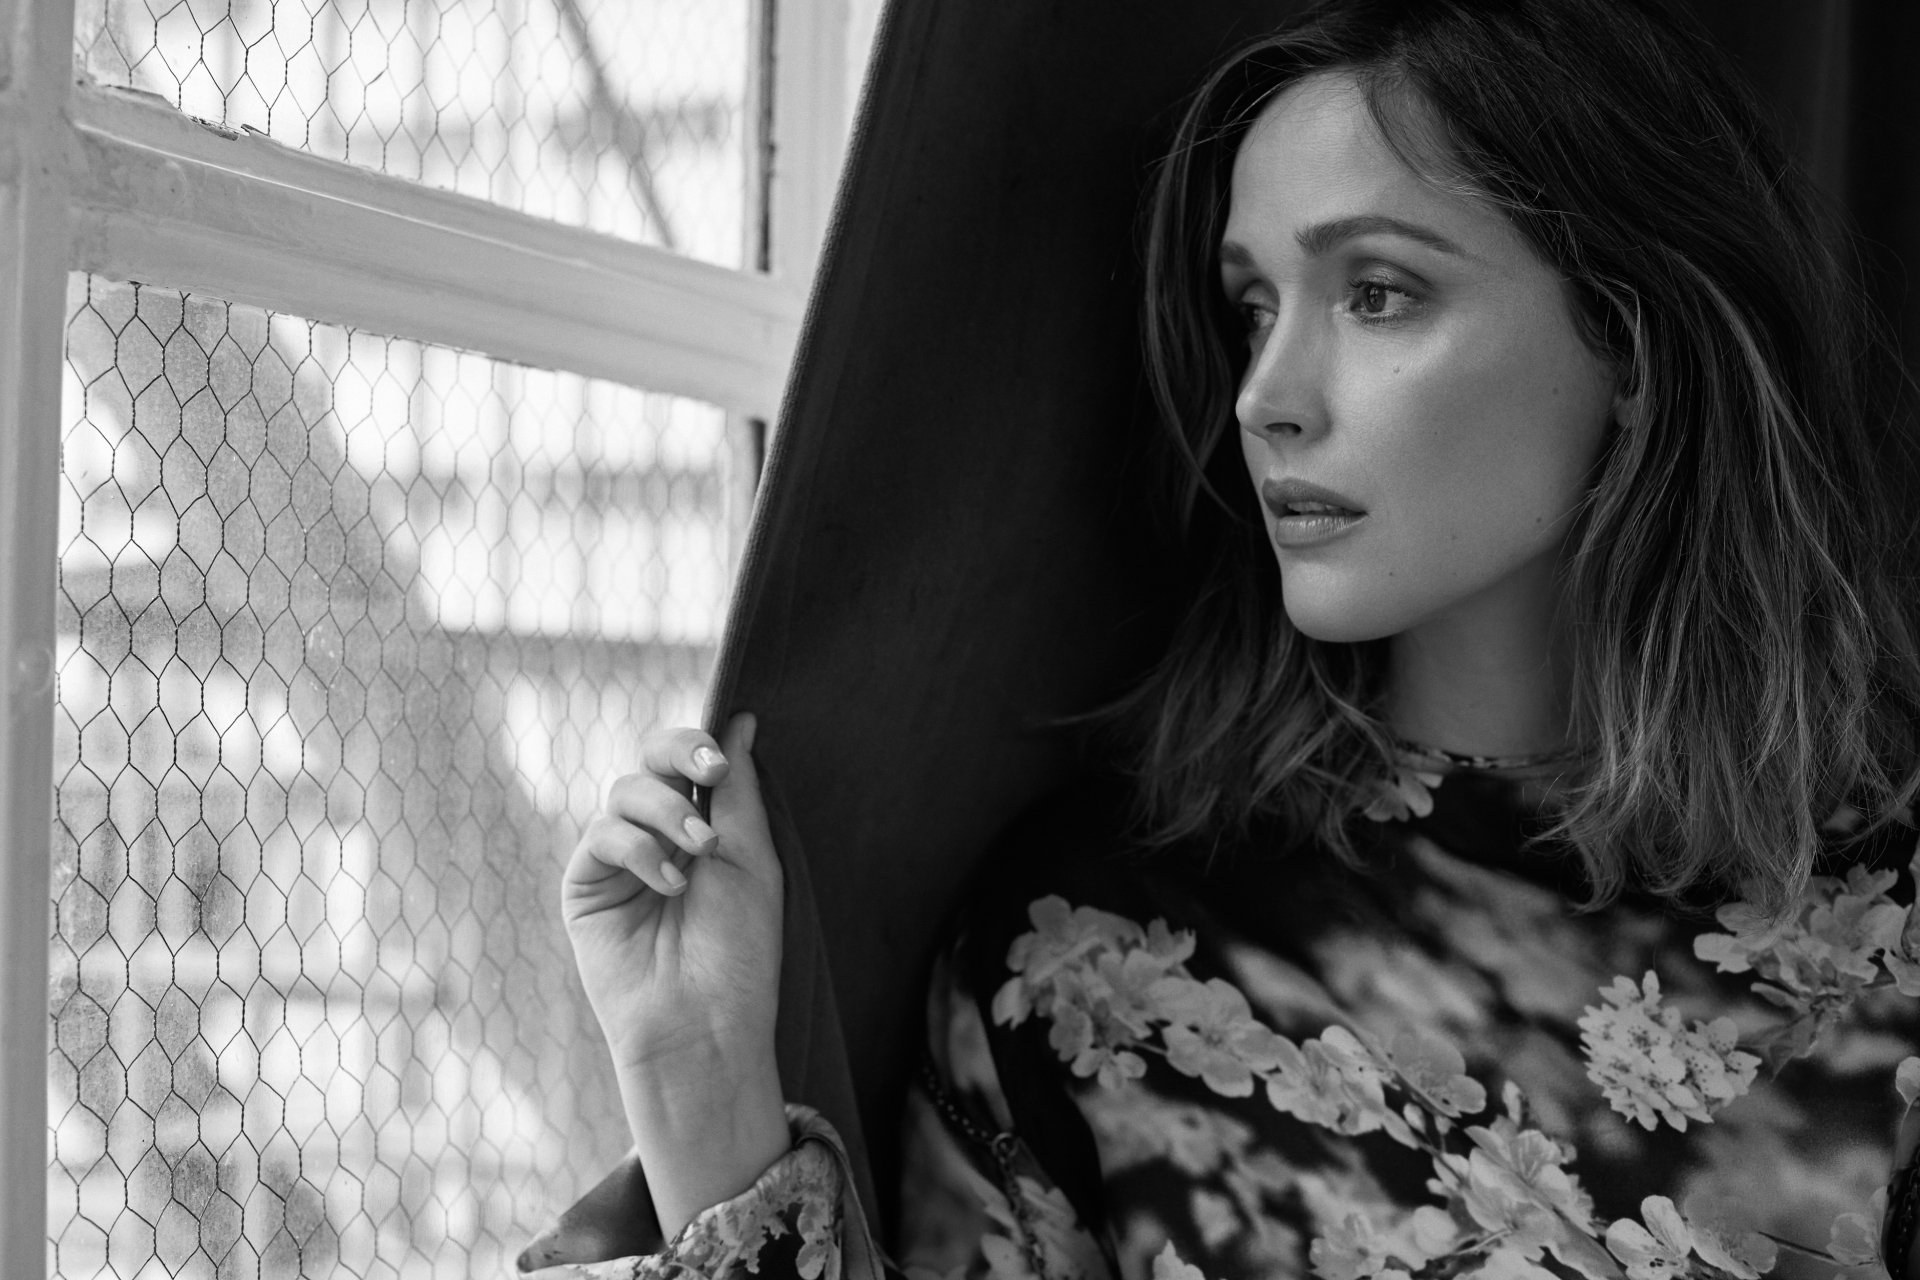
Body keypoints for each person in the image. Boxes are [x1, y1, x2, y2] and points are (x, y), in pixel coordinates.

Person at [517, 0, 1920, 1276]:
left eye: (1377, 292)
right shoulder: (1088, 960)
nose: (1263, 396)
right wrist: (700, 1085)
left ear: (1632, 346)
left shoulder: (1892, 930)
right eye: (1252, 306)